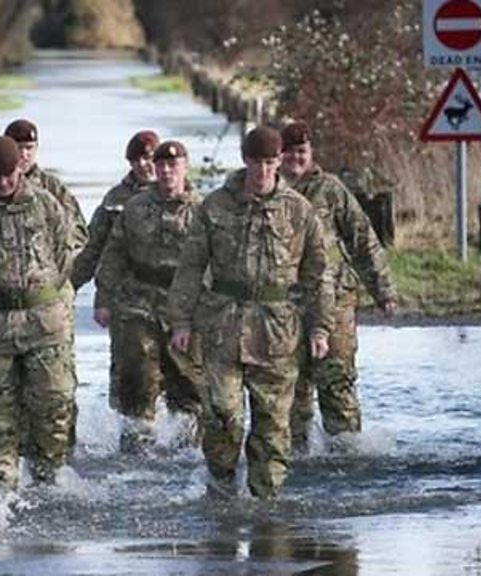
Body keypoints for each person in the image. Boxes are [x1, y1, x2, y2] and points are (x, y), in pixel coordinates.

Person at [168, 126, 334, 499]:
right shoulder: (215, 206)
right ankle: (221, 487)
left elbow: (318, 274)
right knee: (222, 415)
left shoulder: (298, 210)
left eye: (270, 163)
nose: (263, 171)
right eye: (256, 162)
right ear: (245, 161)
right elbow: (191, 267)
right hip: (223, 326)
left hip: (277, 332)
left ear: (279, 162)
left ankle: (266, 503)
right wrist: (181, 322)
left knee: (272, 425)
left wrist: (320, 328)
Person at [0, 136, 80, 489]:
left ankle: (49, 471)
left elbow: (65, 254)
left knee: (55, 401)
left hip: (43, 322)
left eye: (9, 175)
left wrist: (41, 293)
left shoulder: (44, 204)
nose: (3, 183)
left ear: (20, 169)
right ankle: (0, 482)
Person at [279, 121, 397, 450]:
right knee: (291, 384)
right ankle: (297, 452)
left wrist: (382, 289)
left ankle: (346, 451)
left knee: (336, 378)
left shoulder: (330, 189)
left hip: (335, 300)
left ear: (310, 152)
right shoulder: (269, 191)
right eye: (288, 152)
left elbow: (362, 238)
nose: (295, 158)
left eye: (301, 151)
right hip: (285, 304)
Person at [95, 139, 202, 452]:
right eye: (162, 165)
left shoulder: (203, 210)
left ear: (185, 167)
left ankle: (188, 449)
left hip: (184, 304)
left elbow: (217, 261)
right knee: (138, 378)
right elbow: (114, 254)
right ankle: (136, 449)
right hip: (139, 302)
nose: (167, 171)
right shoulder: (135, 207)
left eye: (173, 165)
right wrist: (103, 298)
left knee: (188, 382)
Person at [71, 130, 158, 432]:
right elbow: (94, 248)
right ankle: (132, 438)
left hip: (173, 300)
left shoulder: (180, 194)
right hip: (128, 299)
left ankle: (183, 445)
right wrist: (69, 286)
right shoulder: (115, 201)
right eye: (138, 160)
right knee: (130, 376)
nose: (145, 165)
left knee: (183, 380)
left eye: (150, 158)